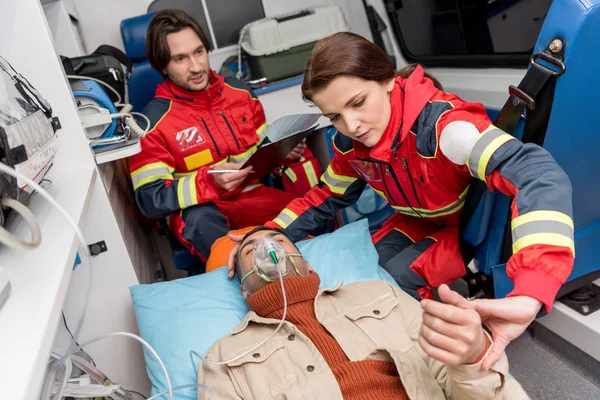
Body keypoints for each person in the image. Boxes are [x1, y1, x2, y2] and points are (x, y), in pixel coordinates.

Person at [228, 32, 575, 370]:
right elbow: (326, 197)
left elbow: (538, 175)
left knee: (393, 279)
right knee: (363, 274)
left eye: (358, 102)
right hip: (417, 220)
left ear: (388, 80)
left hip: (464, 230)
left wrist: (532, 289)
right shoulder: (350, 146)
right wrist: (265, 233)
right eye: (334, 116)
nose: (351, 125)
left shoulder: (446, 131)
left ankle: (408, 370)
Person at [199, 226, 530, 399]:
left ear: (307, 262)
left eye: (276, 239)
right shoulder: (224, 358)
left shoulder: (377, 293)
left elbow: (456, 384)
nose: (265, 249)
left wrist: (471, 360)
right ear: (244, 290)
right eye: (249, 249)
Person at [129, 10, 322, 269]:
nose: (196, 67)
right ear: (163, 66)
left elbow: (258, 151)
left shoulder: (241, 95)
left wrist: (280, 155)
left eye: (199, 52)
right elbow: (149, 200)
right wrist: (209, 182)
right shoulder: (151, 124)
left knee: (311, 217)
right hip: (203, 213)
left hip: (252, 196)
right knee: (227, 248)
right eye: (180, 59)